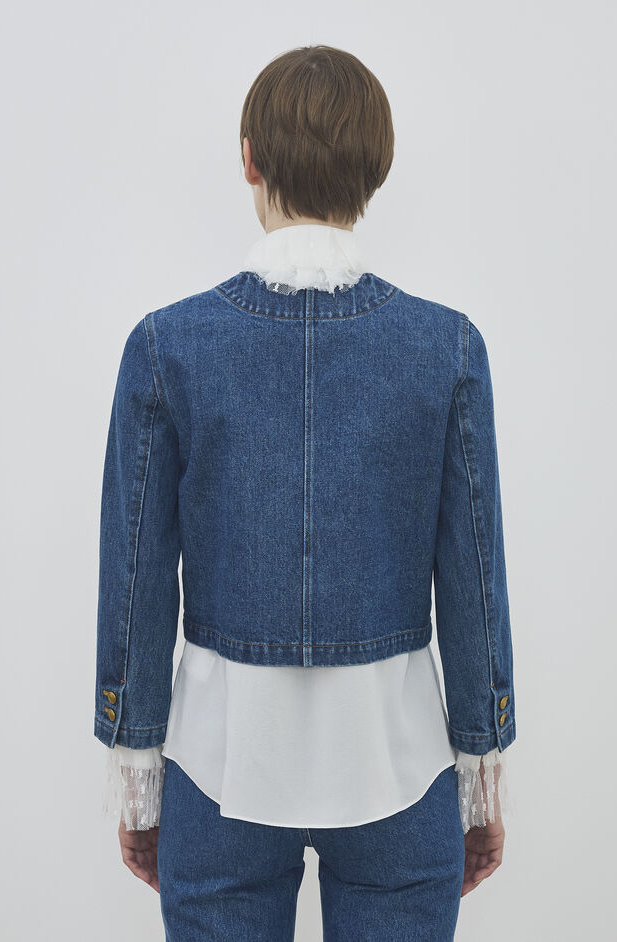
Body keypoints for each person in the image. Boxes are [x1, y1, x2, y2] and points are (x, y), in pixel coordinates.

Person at [94, 44, 516, 942]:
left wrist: (136, 763)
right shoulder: (445, 349)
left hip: (219, 766)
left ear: (248, 159)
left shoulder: (167, 347)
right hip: (398, 765)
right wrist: (482, 765)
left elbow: (135, 579)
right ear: (376, 169)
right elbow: (473, 580)